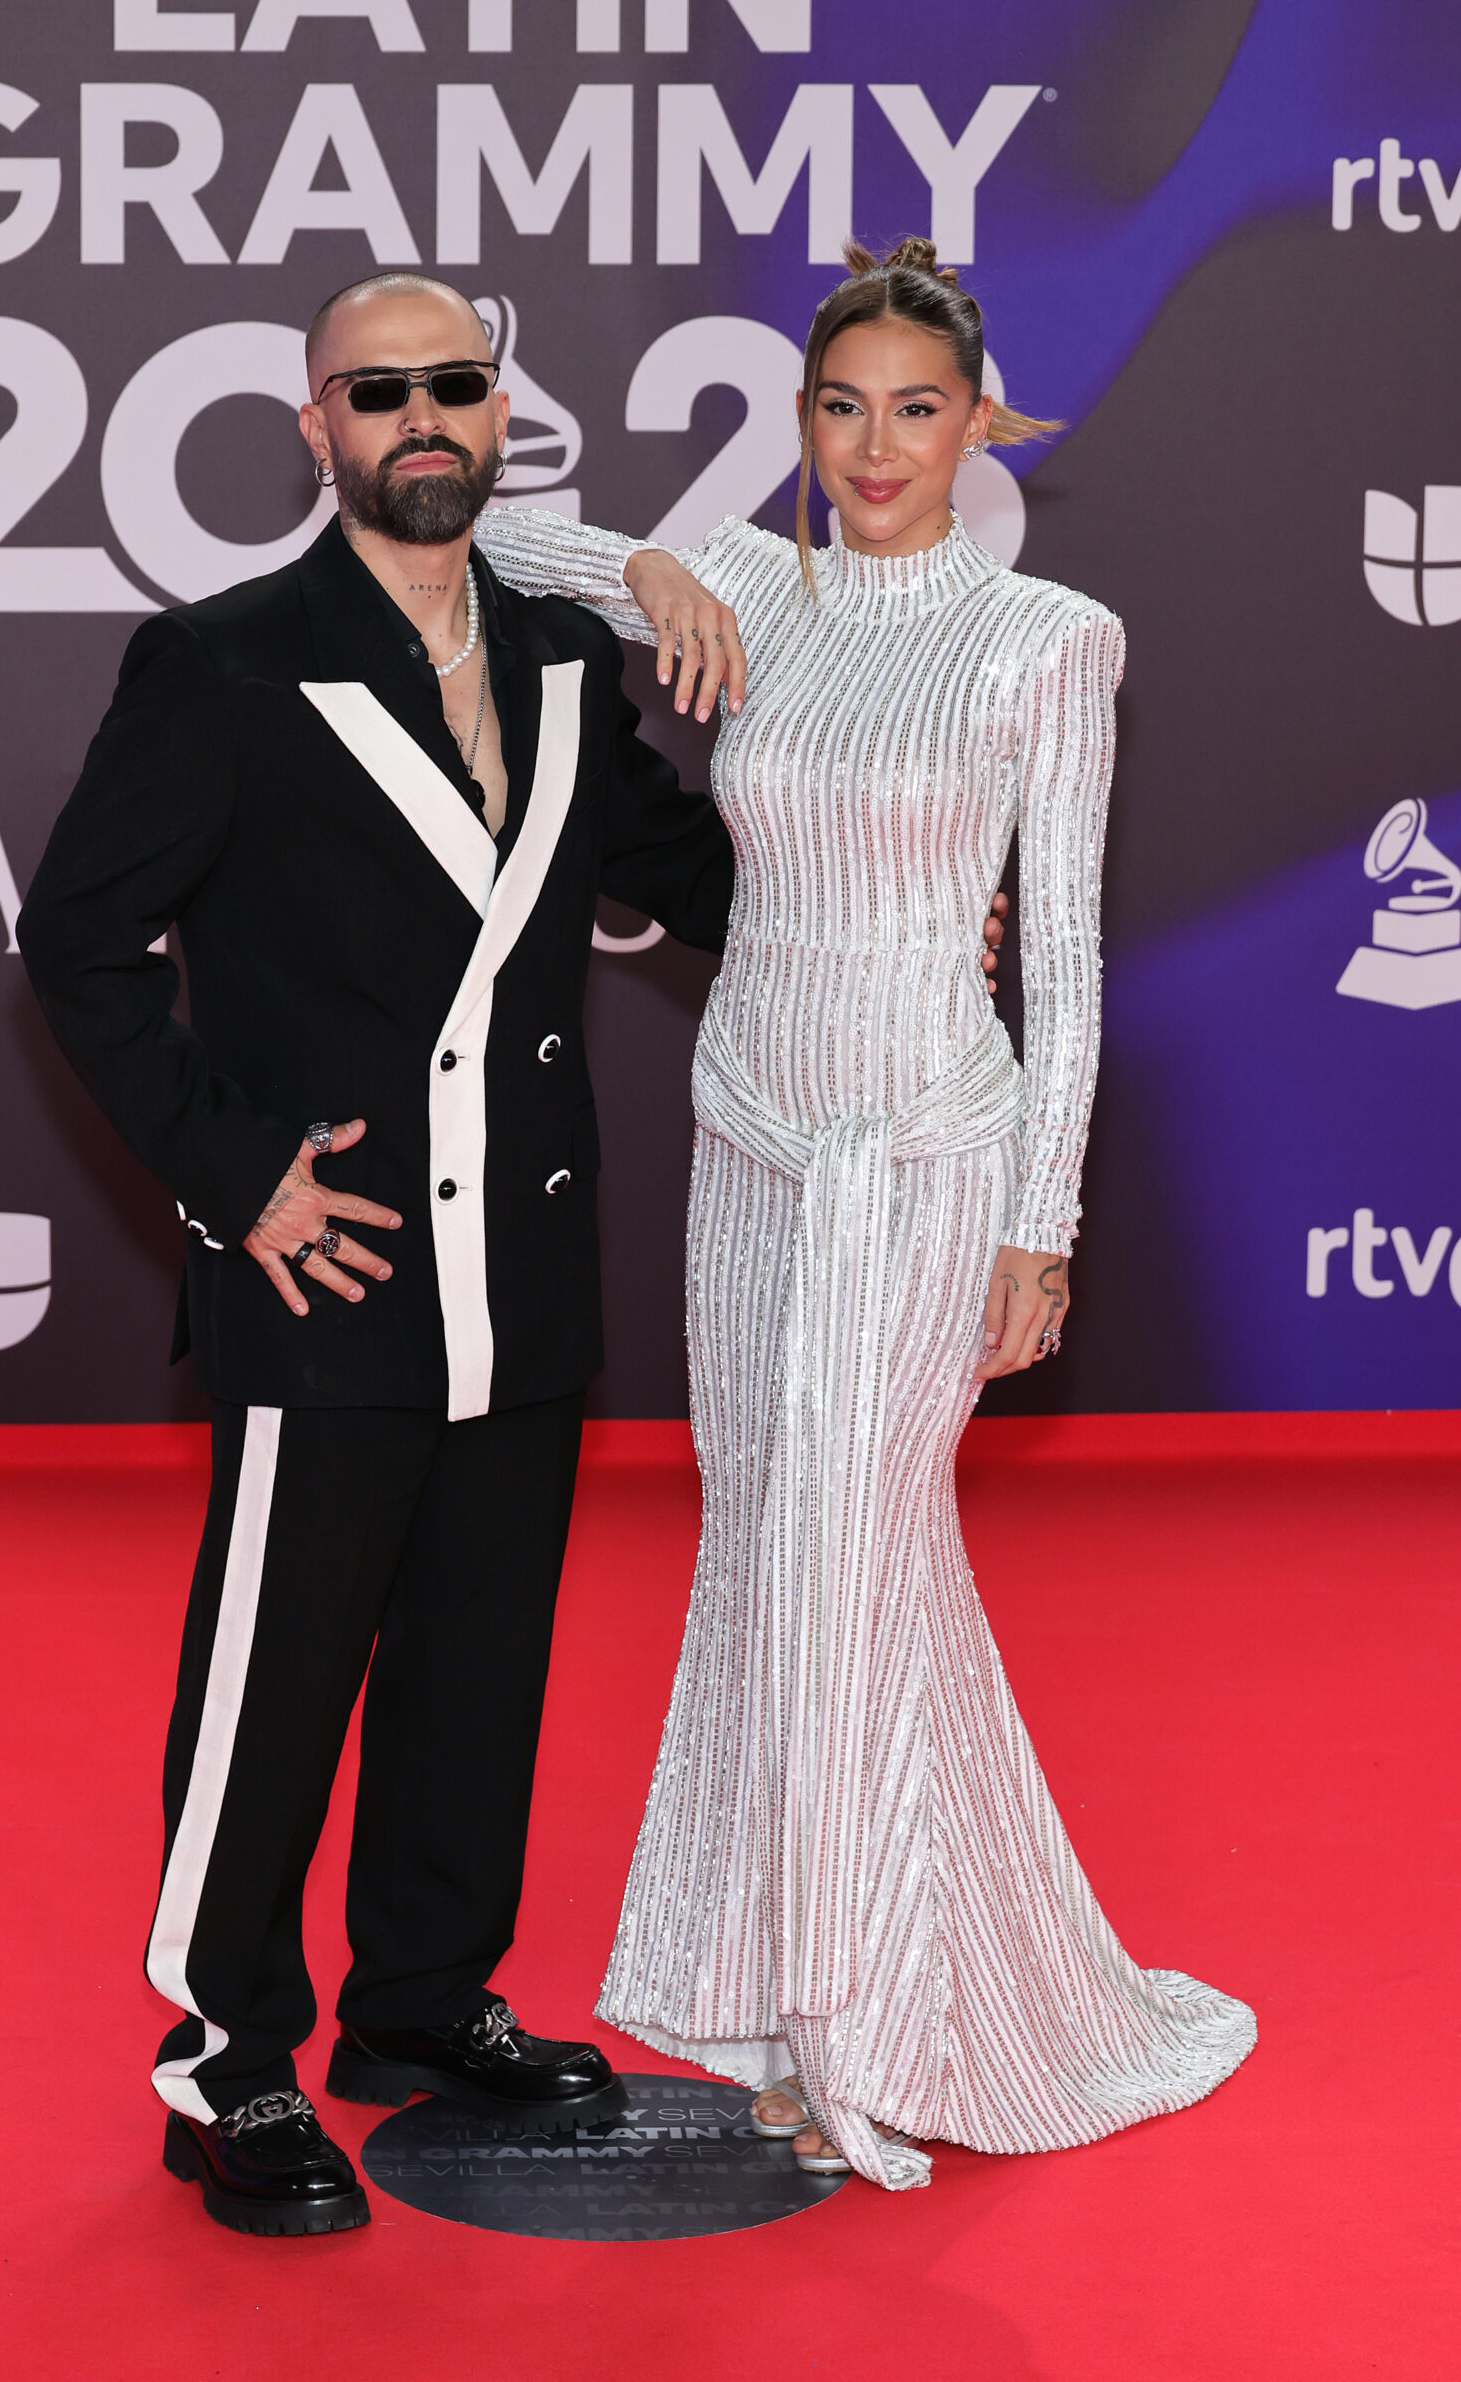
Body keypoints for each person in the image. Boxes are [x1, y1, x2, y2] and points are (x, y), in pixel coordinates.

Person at [19, 264, 1014, 2235]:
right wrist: (241, 1185)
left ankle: (415, 2004)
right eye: (372, 390)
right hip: (336, 1274)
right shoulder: (216, 665)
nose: (417, 420)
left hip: (529, 1267)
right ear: (312, 425)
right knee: (273, 1679)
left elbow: (669, 865)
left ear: (496, 413)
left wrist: (891, 923)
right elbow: (77, 944)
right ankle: (225, 2062)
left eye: (451, 386)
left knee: (479, 1665)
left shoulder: (563, 653)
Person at [475, 237, 1256, 2188]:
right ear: (799, 423)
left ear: (979, 422)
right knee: (767, 1546)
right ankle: (787, 1990)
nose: (877, 443)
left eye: (917, 406)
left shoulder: (1042, 637)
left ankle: (870, 2017)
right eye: (841, 406)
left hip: (924, 1154)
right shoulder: (755, 576)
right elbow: (493, 541)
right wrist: (655, 562)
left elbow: (1057, 960)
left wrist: (1037, 1223)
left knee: (856, 1533)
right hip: (744, 1136)